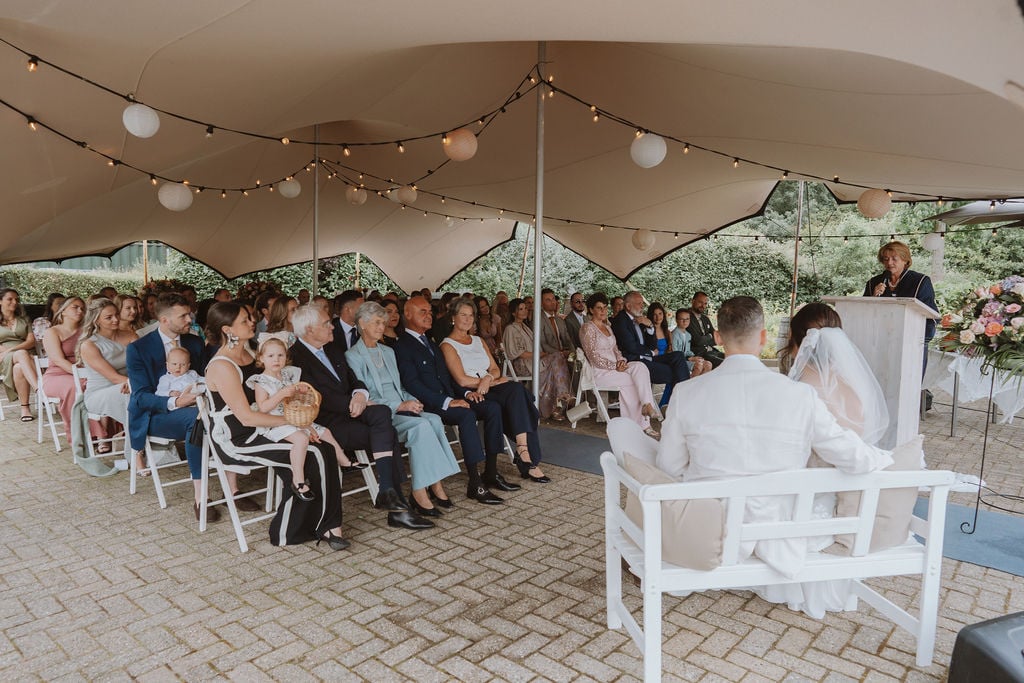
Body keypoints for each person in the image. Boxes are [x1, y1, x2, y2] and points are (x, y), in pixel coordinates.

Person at [656, 296, 893, 581]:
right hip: (781, 530)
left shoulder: (686, 393)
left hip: (710, 526)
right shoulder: (801, 395)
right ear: (763, 336)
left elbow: (669, 466)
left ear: (718, 337)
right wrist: (887, 458)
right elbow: (848, 454)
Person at [203, 302, 349, 549]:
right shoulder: (222, 366)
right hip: (240, 437)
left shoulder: (252, 352)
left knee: (323, 446)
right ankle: (297, 530)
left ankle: (326, 524)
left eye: (250, 317)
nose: (252, 321)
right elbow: (247, 418)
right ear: (228, 330)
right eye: (245, 320)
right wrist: (297, 424)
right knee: (316, 452)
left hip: (269, 425)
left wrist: (304, 422)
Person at [289, 304, 433, 530]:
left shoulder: (333, 349)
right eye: (326, 323)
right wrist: (352, 402)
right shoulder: (295, 357)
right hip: (326, 423)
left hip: (352, 411)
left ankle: (389, 492)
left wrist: (359, 394)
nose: (332, 326)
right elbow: (315, 396)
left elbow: (354, 380)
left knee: (382, 413)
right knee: (387, 432)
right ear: (308, 330)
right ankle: (397, 505)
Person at [394, 295, 521, 504]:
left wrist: (465, 394)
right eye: (422, 312)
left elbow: (447, 379)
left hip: (451, 398)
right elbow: (412, 384)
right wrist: (447, 402)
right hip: (429, 404)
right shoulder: (403, 346)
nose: (429, 315)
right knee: (466, 415)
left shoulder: (431, 343)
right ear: (407, 315)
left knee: (493, 408)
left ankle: (491, 471)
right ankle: (475, 483)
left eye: (429, 311)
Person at [347, 302, 460, 517]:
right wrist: (399, 405)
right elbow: (364, 395)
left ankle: (435, 484)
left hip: (402, 406)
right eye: (377, 322)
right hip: (381, 412)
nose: (382, 326)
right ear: (362, 323)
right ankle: (418, 492)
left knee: (434, 419)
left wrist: (411, 401)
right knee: (421, 427)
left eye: (383, 322)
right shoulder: (353, 355)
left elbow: (400, 387)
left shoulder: (388, 351)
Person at [127, 293, 228, 520]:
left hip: (196, 406)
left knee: (219, 414)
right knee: (198, 420)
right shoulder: (138, 348)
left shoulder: (193, 342)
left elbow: (205, 376)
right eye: (183, 315)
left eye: (189, 313)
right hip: (154, 414)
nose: (190, 318)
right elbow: (140, 397)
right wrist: (175, 401)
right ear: (164, 320)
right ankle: (201, 497)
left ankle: (232, 486)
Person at [443, 297, 550, 483]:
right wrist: (491, 382)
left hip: (487, 385)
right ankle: (528, 461)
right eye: (463, 315)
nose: (468, 319)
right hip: (471, 393)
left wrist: (488, 378)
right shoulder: (447, 345)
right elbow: (461, 379)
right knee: (523, 400)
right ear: (453, 317)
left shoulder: (478, 340)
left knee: (517, 391)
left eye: (471, 316)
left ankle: (523, 450)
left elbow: (495, 369)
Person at [246, 335, 359, 502]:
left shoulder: (286, 376)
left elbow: (294, 400)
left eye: (280, 355)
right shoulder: (260, 381)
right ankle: (298, 480)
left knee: (326, 432)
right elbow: (263, 407)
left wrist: (300, 391)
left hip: (295, 418)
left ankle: (344, 462)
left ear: (286, 357)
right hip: (276, 423)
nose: (276, 360)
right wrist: (281, 394)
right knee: (301, 439)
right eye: (270, 356)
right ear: (261, 358)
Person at [579, 293, 658, 437]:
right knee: (632, 381)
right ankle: (640, 425)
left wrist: (621, 361)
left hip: (617, 368)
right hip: (600, 372)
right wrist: (614, 366)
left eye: (605, 307)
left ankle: (646, 406)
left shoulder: (608, 327)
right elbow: (593, 356)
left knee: (640, 367)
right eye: (599, 308)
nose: (603, 311)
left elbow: (616, 350)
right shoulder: (587, 328)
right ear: (591, 310)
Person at [863, 240, 937, 376]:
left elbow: (931, 315)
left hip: (911, 342)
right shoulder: (873, 282)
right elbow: (864, 312)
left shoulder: (920, 281)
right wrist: (873, 297)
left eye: (894, 259)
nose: (889, 263)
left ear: (905, 260)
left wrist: (921, 340)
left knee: (908, 380)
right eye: (885, 259)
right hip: (880, 342)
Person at [79, 297, 137, 454]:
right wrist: (138, 384)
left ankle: (153, 442)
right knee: (133, 397)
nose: (116, 319)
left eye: (116, 314)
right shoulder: (89, 344)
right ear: (96, 320)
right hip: (100, 392)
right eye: (109, 317)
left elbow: (142, 365)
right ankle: (136, 452)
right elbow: (112, 377)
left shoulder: (131, 335)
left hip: (128, 385)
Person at [612, 291, 690, 407]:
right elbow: (630, 346)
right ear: (628, 306)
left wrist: (650, 327)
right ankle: (679, 404)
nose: (642, 306)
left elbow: (652, 344)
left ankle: (676, 403)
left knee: (678, 355)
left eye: (642, 304)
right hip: (635, 362)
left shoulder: (639, 318)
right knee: (675, 372)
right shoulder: (621, 321)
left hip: (647, 358)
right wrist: (651, 353)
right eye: (639, 304)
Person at [502, 297, 572, 419]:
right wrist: (540, 355)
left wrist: (541, 355)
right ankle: (562, 395)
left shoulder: (525, 327)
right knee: (556, 356)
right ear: (514, 313)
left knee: (555, 366)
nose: (524, 311)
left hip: (533, 360)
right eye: (521, 309)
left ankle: (556, 406)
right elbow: (518, 353)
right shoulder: (510, 329)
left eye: (525, 308)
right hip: (521, 364)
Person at [40, 297, 87, 435]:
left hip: (83, 371)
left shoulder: (86, 331)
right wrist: (81, 373)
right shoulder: (52, 332)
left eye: (82, 308)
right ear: (63, 311)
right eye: (75, 307)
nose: (80, 310)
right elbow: (58, 360)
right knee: (75, 387)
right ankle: (78, 433)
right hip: (57, 375)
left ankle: (102, 434)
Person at [0, 288, 39, 421]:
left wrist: (10, 350)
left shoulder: (24, 319)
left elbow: (31, 342)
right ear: (0, 301)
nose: (14, 302)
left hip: (25, 357)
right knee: (22, 353)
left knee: (19, 367)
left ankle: (25, 408)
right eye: (10, 299)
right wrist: (7, 352)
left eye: (17, 299)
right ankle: (39, 389)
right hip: (3, 358)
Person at [686, 291, 726, 367]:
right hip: (699, 354)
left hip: (711, 351)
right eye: (700, 302)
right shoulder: (687, 317)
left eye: (705, 303)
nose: (703, 306)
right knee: (724, 364)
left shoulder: (705, 318)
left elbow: (716, 338)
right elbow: (698, 341)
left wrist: (709, 337)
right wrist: (710, 336)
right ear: (693, 301)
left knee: (732, 359)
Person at [671, 308, 711, 377]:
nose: (685, 321)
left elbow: (687, 351)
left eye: (687, 319)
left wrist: (695, 357)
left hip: (686, 359)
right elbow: (675, 354)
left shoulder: (688, 335)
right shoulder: (674, 335)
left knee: (708, 364)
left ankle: (698, 386)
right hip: (678, 361)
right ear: (676, 320)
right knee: (698, 366)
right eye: (682, 319)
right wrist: (690, 359)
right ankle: (688, 385)